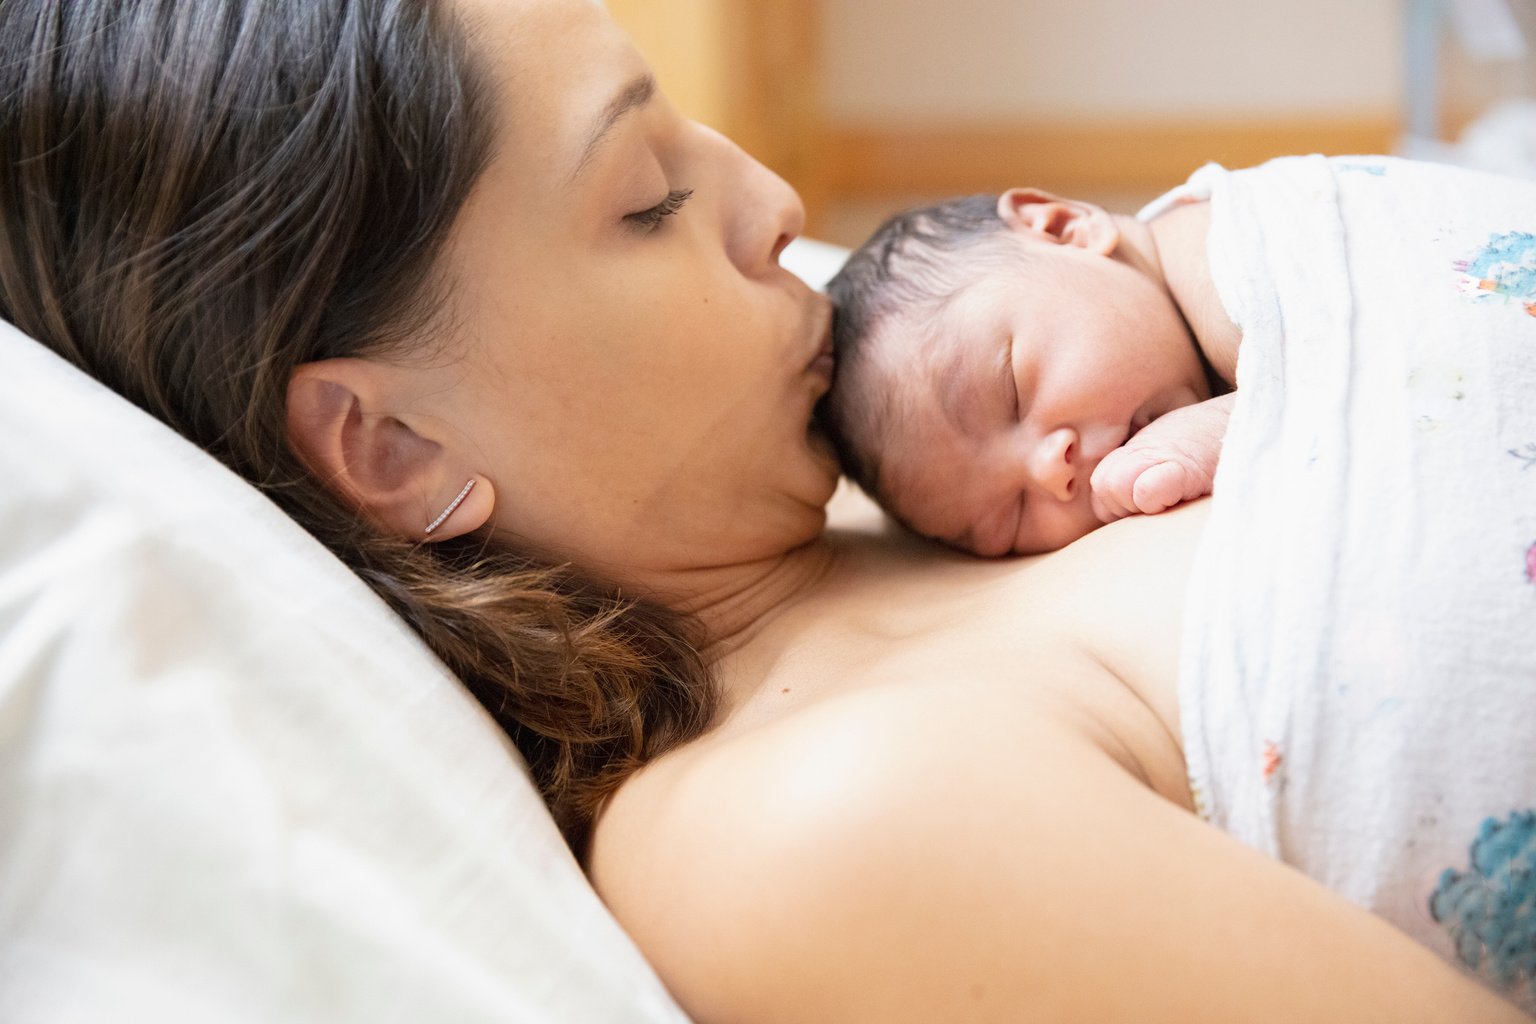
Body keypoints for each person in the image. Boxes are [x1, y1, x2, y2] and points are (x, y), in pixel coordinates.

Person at [0, 1, 1530, 1021]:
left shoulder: (908, 470)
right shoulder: (792, 826)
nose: (777, 205)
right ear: (393, 449)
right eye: (649, 199)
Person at [819, 188, 1240, 556]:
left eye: (1014, 392)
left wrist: (1221, 428)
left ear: (1062, 229)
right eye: (1010, 520)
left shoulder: (1224, 260)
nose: (1051, 472)